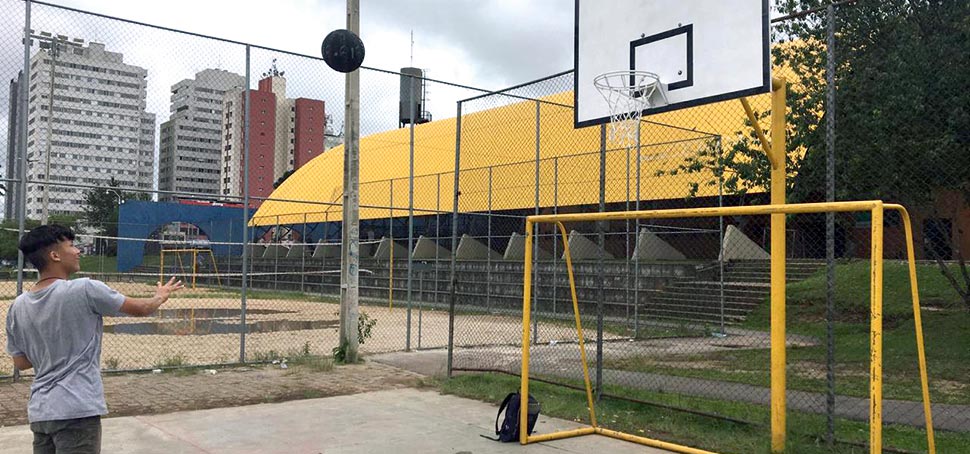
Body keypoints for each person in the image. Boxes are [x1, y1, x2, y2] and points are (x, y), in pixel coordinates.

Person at [5, 224, 184, 453]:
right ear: (55, 255)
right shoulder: (85, 289)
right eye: (71, 246)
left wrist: (50, 346)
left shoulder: (17, 307)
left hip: (41, 412)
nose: (78, 251)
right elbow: (141, 309)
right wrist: (160, 296)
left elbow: (21, 363)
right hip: (76, 409)